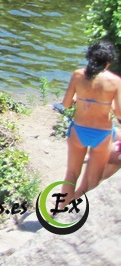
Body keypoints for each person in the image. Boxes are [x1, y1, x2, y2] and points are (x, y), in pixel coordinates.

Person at [59, 40, 121, 207]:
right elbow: (119, 112)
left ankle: (59, 209)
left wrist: (77, 100)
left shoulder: (78, 74)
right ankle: (81, 216)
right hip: (102, 134)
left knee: (71, 174)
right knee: (93, 180)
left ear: (90, 57)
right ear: (108, 62)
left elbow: (65, 104)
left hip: (78, 131)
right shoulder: (115, 81)